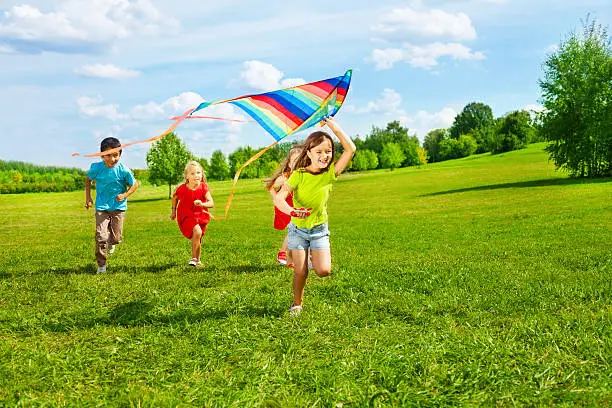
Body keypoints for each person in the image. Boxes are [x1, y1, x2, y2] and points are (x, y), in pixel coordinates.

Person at [273, 117, 356, 315]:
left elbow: (351, 149)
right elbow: (279, 199)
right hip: (298, 230)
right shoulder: (299, 174)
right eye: (319, 151)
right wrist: (293, 211)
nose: (325, 155)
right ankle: (297, 304)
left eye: (328, 151)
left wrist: (335, 127)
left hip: (319, 230)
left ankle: (313, 256)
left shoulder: (330, 173)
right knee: (300, 270)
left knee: (323, 271)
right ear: (308, 153)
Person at [85, 137, 138, 274]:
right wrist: (88, 197)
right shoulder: (96, 168)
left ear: (120, 155)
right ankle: (101, 265)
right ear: (102, 155)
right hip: (102, 207)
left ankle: (110, 241)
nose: (112, 159)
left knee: (116, 238)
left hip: (118, 207)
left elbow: (134, 184)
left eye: (116, 155)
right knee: (100, 236)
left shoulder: (123, 170)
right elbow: (88, 180)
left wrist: (125, 195)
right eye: (108, 155)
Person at [170, 161, 214, 267]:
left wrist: (202, 203)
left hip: (200, 216)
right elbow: (175, 198)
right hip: (186, 215)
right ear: (186, 176)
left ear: (202, 174)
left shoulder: (204, 187)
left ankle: (197, 260)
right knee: (197, 232)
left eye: (198, 173)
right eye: (192, 173)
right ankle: (194, 258)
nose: (196, 176)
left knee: (199, 237)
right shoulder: (182, 189)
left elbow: (211, 203)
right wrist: (173, 212)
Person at [265, 146, 302, 268]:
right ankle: (282, 251)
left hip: (295, 207)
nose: (297, 163)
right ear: (289, 163)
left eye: (300, 160)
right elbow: (270, 187)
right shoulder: (285, 176)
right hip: (285, 207)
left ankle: (291, 261)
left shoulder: (302, 174)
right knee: (294, 230)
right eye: (294, 161)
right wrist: (276, 199)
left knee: (297, 232)